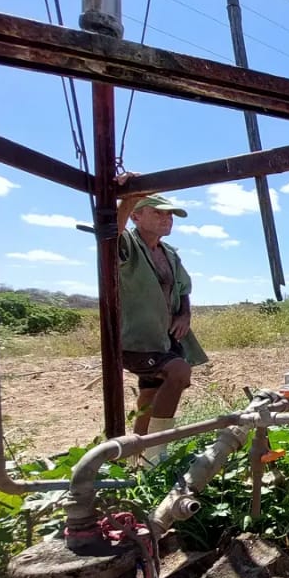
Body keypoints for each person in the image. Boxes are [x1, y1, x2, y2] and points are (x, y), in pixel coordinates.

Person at [114, 182, 207, 464]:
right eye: (159, 213)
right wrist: (128, 199)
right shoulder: (127, 245)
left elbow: (183, 290)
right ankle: (156, 452)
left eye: (170, 216)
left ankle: (135, 459)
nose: (166, 220)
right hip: (137, 339)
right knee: (178, 372)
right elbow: (109, 236)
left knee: (149, 396)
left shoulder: (169, 254)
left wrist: (185, 315)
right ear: (136, 216)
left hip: (163, 339)